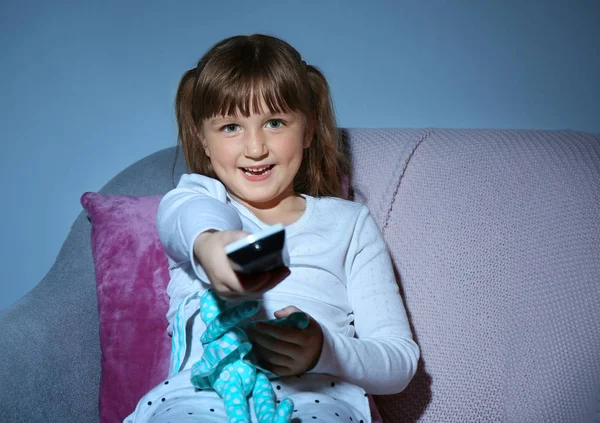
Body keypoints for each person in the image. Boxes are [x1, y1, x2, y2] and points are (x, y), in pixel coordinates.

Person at [124, 33, 419, 423]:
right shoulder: (200, 200)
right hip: (197, 398)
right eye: (231, 127)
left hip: (317, 398)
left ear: (309, 129)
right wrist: (214, 251)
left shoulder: (348, 224)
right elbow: (189, 217)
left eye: (275, 122)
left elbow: (399, 361)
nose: (256, 148)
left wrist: (323, 352)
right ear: (202, 138)